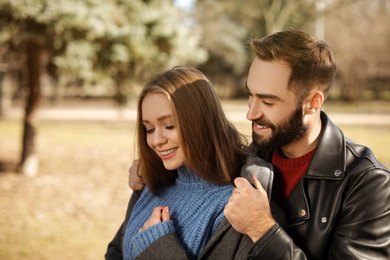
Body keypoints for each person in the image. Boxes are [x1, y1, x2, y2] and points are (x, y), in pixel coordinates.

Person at [128, 30, 390, 259]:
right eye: (250, 95)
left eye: (267, 101)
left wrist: (263, 230)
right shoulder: (250, 159)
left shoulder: (368, 185)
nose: (250, 113)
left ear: (313, 103)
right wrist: (154, 165)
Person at [105, 66, 285, 259]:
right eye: (148, 129)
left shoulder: (240, 205)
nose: (156, 141)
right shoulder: (150, 182)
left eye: (169, 126)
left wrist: (160, 248)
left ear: (200, 122)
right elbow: (116, 251)